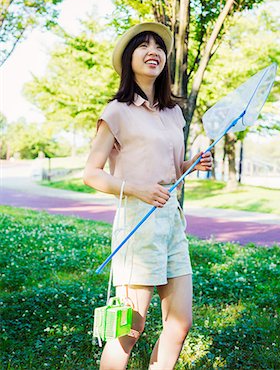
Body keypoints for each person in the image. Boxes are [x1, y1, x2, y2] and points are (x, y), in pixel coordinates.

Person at [83, 22, 212, 370]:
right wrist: (137, 189)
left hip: (172, 225)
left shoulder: (174, 113)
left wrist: (191, 163)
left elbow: (169, 169)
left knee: (180, 323)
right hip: (136, 227)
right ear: (129, 58)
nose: (153, 51)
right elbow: (91, 173)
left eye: (159, 46)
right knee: (129, 330)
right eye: (143, 45)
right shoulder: (116, 111)